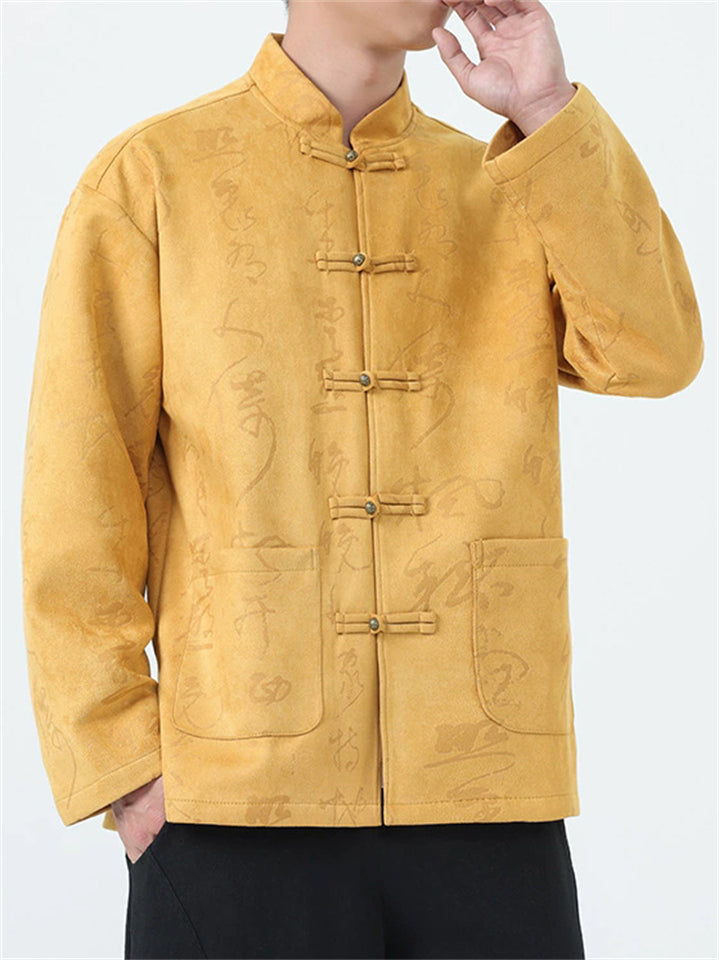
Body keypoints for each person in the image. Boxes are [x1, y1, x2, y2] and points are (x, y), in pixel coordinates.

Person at [21, 0, 704, 958]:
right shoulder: (153, 179)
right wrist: (128, 774)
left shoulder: (508, 181)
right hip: (234, 805)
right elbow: (76, 504)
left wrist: (547, 110)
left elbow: (654, 353)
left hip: (486, 787)